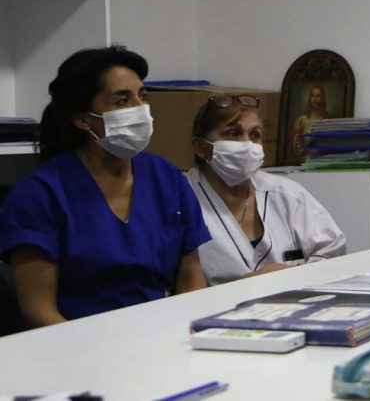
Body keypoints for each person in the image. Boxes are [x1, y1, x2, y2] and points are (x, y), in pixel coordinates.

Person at [0, 46, 210, 328]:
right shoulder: (41, 193)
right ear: (82, 119)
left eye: (142, 96)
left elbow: (191, 280)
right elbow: (38, 311)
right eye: (122, 100)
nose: (139, 108)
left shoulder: (167, 178)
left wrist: (186, 331)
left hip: (159, 333)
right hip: (73, 340)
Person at [188, 94, 347, 285]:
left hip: (292, 299)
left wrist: (296, 276)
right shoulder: (181, 200)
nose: (247, 144)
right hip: (214, 304)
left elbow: (332, 251)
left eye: (255, 135)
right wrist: (250, 284)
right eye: (233, 133)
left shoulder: (286, 194)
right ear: (200, 147)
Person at [291, 85, 332, 155]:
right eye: (312, 96)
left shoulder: (328, 119)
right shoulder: (302, 119)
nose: (315, 100)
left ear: (323, 98)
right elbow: (295, 145)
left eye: (318, 96)